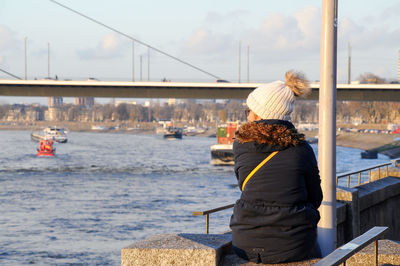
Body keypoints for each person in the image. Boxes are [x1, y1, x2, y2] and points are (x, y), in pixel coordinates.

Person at [229, 70, 323, 264]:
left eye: (249, 111)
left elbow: (246, 188)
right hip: (293, 244)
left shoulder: (240, 145)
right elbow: (316, 197)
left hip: (244, 243)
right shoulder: (302, 149)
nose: (247, 115)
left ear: (258, 114)